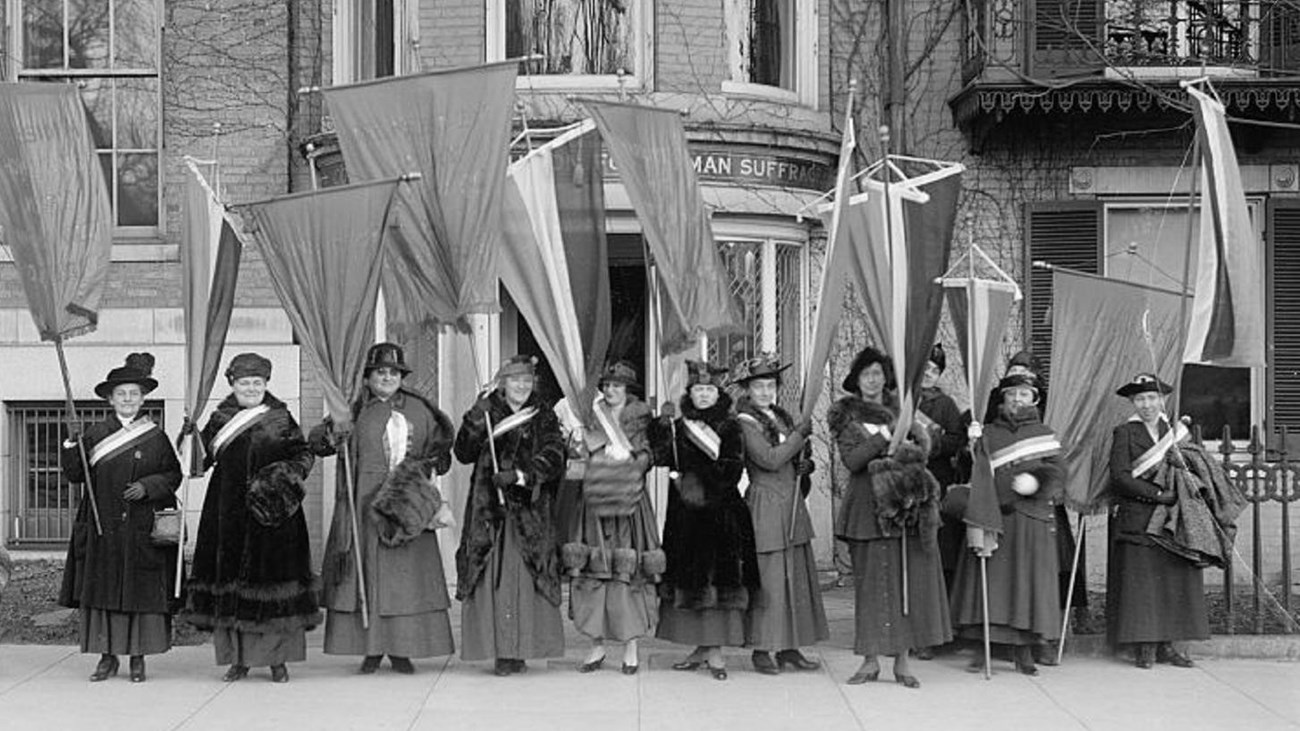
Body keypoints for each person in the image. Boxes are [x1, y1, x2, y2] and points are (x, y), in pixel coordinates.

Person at [311, 343, 457, 675]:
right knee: (371, 575)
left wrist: (431, 466)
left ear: (401, 376)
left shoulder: (420, 408)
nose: (387, 377)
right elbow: (319, 443)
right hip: (364, 503)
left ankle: (403, 649)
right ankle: (371, 649)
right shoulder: (353, 408)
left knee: (407, 578)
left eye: (393, 372)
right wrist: (334, 428)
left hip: (407, 502)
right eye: (380, 372)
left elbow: (443, 450)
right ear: (369, 376)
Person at [183, 353, 320, 683]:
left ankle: (277, 661)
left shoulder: (281, 418)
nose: (251, 388)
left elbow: (303, 454)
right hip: (227, 514)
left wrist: (282, 476)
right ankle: (238, 661)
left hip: (274, 516)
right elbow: (197, 464)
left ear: (266, 384)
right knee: (233, 588)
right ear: (232, 384)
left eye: (257, 382)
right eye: (245, 382)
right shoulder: (219, 419)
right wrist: (189, 436)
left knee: (274, 587)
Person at [829, 347, 949, 689]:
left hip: (902, 507)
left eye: (878, 373)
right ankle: (869, 661)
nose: (872, 379)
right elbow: (853, 460)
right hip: (865, 509)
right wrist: (886, 436)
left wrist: (910, 443)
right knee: (869, 587)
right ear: (857, 380)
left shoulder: (904, 409)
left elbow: (928, 447)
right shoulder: (845, 415)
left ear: (886, 378)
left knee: (903, 585)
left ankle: (902, 661)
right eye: (866, 374)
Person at [58, 353, 181, 683]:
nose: (128, 399)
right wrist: (71, 443)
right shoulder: (96, 434)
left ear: (143, 398)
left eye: (134, 394)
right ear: (110, 399)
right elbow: (74, 475)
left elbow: (173, 474)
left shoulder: (156, 437)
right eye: (122, 394)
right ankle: (106, 658)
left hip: (142, 530)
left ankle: (138, 659)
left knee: (139, 594)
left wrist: (148, 486)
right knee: (105, 594)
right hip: (104, 530)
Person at [454, 354, 568, 676]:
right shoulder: (488, 411)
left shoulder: (543, 415)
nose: (521, 386)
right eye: (515, 380)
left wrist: (521, 475)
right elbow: (462, 453)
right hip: (489, 510)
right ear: (503, 383)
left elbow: (554, 454)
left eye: (527, 380)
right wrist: (475, 417)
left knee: (525, 580)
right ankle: (502, 652)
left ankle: (523, 650)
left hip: (529, 512)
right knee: (493, 581)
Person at [651, 359, 759, 681]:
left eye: (709, 389)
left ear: (718, 393)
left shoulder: (730, 427)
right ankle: (700, 647)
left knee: (716, 582)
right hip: (685, 517)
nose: (703, 395)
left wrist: (696, 485)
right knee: (693, 582)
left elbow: (732, 469)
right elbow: (662, 458)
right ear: (690, 392)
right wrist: (661, 428)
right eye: (698, 389)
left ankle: (715, 652)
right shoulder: (679, 427)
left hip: (719, 514)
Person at [950, 373, 1065, 675]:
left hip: (1029, 519)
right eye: (1011, 394)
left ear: (1034, 399)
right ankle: (981, 646)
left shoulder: (1045, 433)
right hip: (991, 515)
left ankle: (1024, 650)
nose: (1017, 399)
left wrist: (1037, 481)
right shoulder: (987, 432)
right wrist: (970, 447)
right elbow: (967, 472)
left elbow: (1059, 473)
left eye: (1024, 394)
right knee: (987, 585)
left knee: (1024, 588)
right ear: (1002, 399)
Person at [562, 361, 663, 675]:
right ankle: (597, 644)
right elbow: (576, 453)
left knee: (627, 574)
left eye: (617, 385)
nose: (610, 390)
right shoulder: (589, 415)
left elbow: (652, 454)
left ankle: (630, 644)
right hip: (595, 501)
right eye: (606, 385)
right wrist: (578, 447)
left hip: (629, 504)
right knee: (595, 573)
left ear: (628, 390)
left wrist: (634, 459)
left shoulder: (642, 418)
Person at [731, 353, 828, 675]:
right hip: (766, 503)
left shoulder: (781, 418)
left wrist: (806, 463)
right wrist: (800, 436)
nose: (764, 392)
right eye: (758, 386)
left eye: (769, 385)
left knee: (793, 579)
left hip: (791, 504)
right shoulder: (745, 423)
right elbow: (769, 459)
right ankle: (761, 647)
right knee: (769, 579)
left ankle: (790, 647)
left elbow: (791, 457)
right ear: (747, 389)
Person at [1106, 374, 1207, 668]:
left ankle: (1168, 646)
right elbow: (1120, 476)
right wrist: (1156, 494)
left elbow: (1195, 467)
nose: (1146, 404)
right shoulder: (1125, 432)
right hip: (1139, 517)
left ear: (1162, 400)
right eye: (1140, 399)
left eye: (1152, 398)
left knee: (1172, 581)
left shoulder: (1175, 432)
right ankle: (1145, 646)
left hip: (1173, 518)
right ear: (1132, 403)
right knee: (1143, 585)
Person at [915, 344, 966, 660]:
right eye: (924, 370)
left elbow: (955, 439)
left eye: (933, 371)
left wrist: (929, 442)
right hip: (908, 482)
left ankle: (938, 631)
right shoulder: (904, 401)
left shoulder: (945, 404)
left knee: (939, 556)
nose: (928, 376)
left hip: (937, 480)